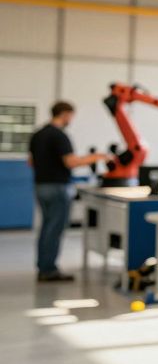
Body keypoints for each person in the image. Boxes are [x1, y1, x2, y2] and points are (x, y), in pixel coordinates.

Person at [29, 101, 106, 282]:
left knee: (47, 227)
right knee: (55, 228)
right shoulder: (59, 136)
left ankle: (43, 266)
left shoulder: (37, 135)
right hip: (57, 187)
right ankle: (49, 270)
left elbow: (30, 162)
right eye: (71, 116)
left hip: (40, 186)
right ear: (65, 114)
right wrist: (95, 158)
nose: (71, 119)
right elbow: (71, 162)